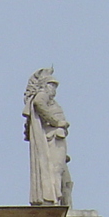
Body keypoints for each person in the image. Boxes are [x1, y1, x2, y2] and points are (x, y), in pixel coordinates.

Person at [24, 67, 72, 207]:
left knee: (64, 176)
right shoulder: (42, 94)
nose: (54, 89)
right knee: (56, 169)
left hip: (56, 136)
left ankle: (59, 200)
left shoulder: (50, 100)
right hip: (52, 136)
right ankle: (54, 201)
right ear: (45, 86)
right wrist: (56, 122)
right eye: (51, 85)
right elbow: (39, 103)